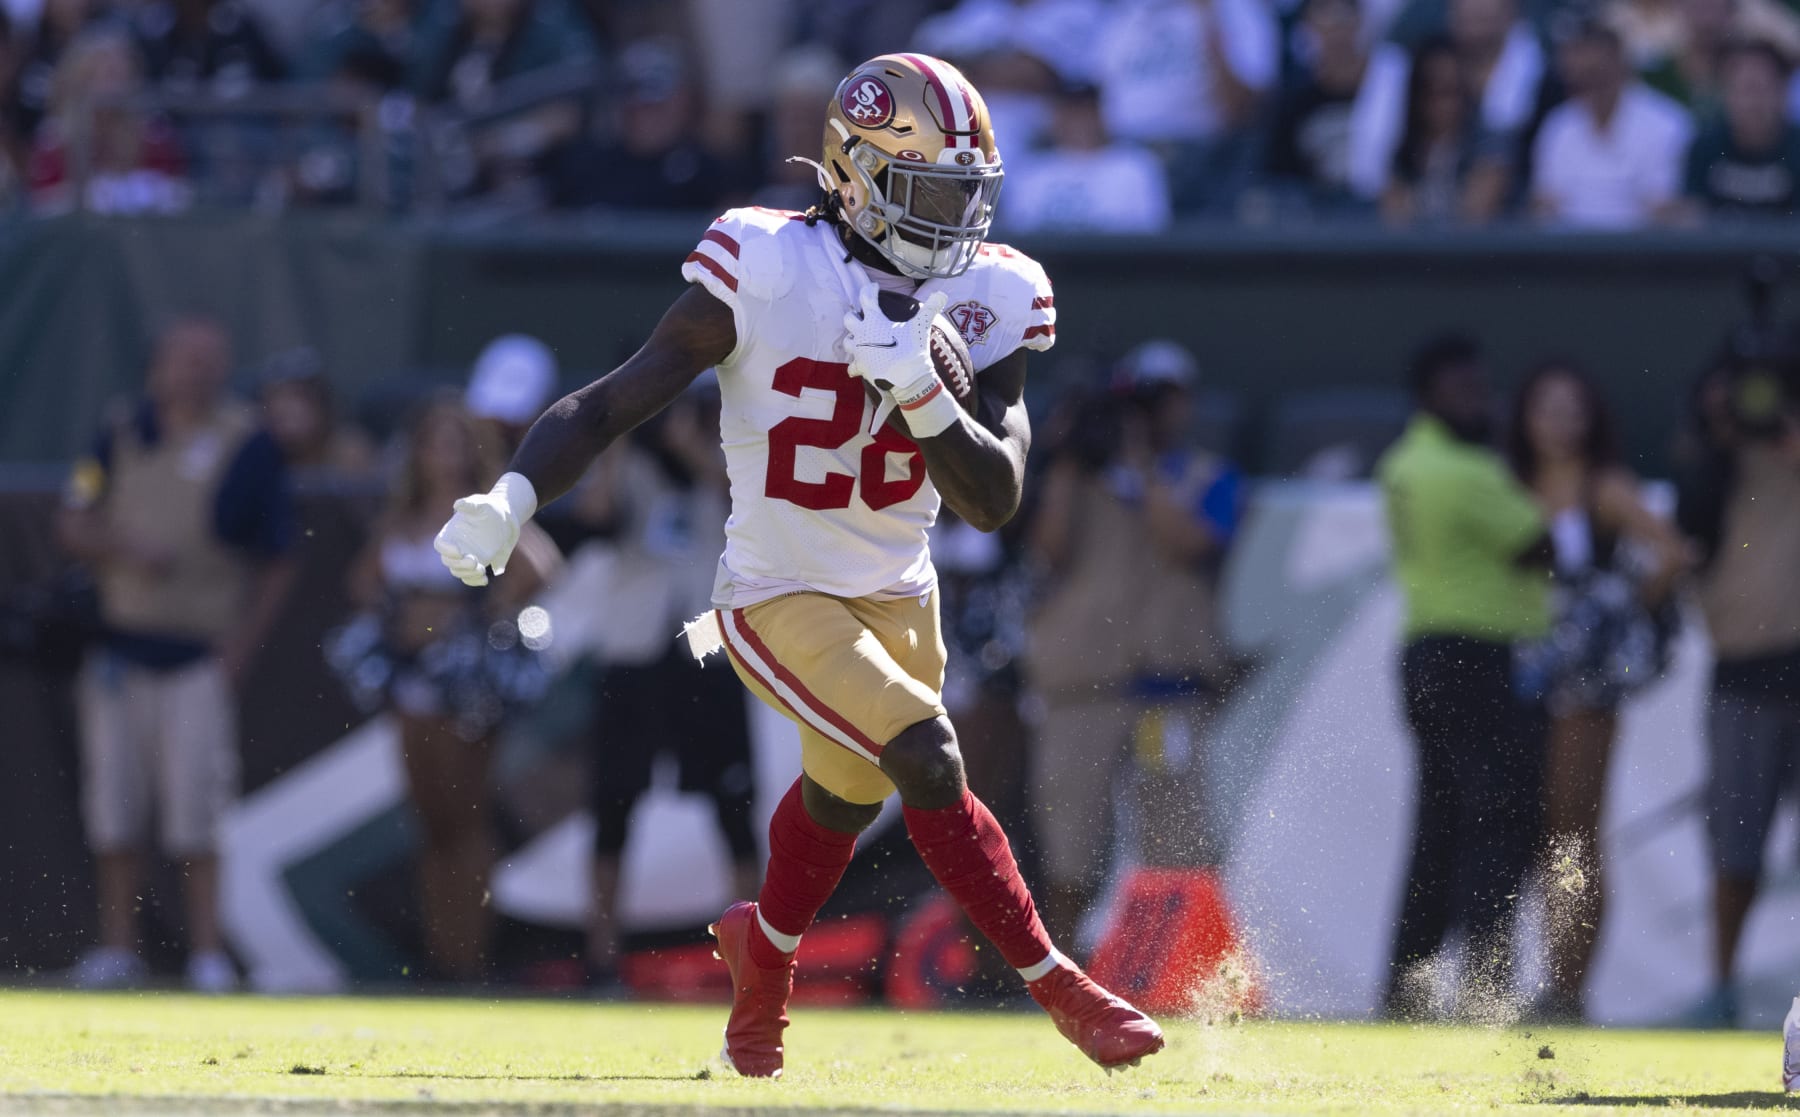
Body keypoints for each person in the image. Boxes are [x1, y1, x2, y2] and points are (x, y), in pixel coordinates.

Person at [432, 53, 1163, 1075]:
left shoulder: (996, 291)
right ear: (855, 175)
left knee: (841, 794)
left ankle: (760, 958)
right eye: (932, 191)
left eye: (970, 193)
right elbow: (616, 397)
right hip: (778, 593)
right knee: (925, 752)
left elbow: (992, 499)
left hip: (902, 589)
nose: (959, 220)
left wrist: (921, 388)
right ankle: (1060, 984)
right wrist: (510, 496)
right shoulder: (767, 261)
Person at [56, 316, 297, 992]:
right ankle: (118, 947)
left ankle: (207, 952)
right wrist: (126, 548)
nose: (194, 372)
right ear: (156, 365)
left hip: (197, 654)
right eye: (182, 359)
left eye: (207, 360)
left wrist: (238, 650)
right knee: (114, 806)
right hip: (117, 653)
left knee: (198, 809)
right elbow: (72, 518)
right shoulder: (117, 432)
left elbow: (278, 558)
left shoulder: (248, 442)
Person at [337, 393, 558, 982]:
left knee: (466, 817)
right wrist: (402, 618)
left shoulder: (487, 513)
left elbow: (540, 568)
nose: (445, 453)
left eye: (457, 441)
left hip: (469, 689)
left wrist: (465, 613)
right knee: (430, 819)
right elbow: (362, 582)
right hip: (412, 687)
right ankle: (442, 956)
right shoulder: (401, 517)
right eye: (435, 440)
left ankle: (470, 956)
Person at [1504, 361, 1691, 1021]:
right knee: (1530, 831)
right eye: (1546, 407)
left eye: (1572, 408)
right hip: (1519, 676)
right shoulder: (1512, 485)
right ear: (1524, 416)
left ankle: (1569, 988)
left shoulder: (1603, 485)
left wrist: (1614, 613)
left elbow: (1671, 552)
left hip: (1583, 684)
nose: (1560, 421)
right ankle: (1541, 977)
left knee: (1574, 828)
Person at [560, 384, 760, 989]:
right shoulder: (625, 462)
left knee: (732, 802)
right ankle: (602, 956)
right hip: (633, 645)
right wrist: (617, 435)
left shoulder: (733, 453)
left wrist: (694, 447)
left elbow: (753, 507)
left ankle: (751, 955)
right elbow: (592, 517)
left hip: (703, 644)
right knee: (614, 803)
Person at [1375, 333, 1551, 1017]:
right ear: (1430, 396)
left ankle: (1406, 985)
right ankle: (1485, 983)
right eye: (1465, 390)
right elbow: (1542, 544)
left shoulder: (1403, 462)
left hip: (1429, 657)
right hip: (1477, 658)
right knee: (1499, 819)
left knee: (1441, 824)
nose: (1480, 402)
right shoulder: (1467, 472)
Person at [1673, 342, 1800, 1027]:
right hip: (1745, 674)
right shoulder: (1708, 466)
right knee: (1735, 844)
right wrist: (1717, 434)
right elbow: (1688, 536)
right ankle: (1721, 987)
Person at [1531, 19, 1692, 229]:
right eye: (1579, 79)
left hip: (1641, 255)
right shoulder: (1558, 126)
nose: (1589, 86)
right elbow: (1544, 207)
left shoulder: (1667, 123)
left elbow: (1663, 211)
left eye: (1596, 74)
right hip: (1569, 254)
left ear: (1619, 65)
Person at [28, 27, 190, 215]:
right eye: (98, 71)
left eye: (116, 72)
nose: (109, 83)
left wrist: (137, 190)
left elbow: (180, 194)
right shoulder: (54, 141)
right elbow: (39, 204)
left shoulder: (155, 135)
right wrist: (84, 196)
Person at [998, 82, 1170, 234]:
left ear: (1102, 115)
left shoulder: (1136, 166)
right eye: (1071, 112)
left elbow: (1151, 237)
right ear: (1055, 118)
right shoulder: (1030, 171)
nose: (1079, 121)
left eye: (1086, 111)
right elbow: (1018, 237)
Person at [1381, 36, 1512, 225]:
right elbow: (1394, 220)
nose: (1444, 104)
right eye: (1433, 91)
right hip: (1414, 254)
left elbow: (1474, 218)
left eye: (1452, 91)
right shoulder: (1404, 150)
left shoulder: (1491, 144)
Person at [1264, 0, 1371, 214]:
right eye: (1324, 14)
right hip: (1318, 224)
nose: (1335, 26)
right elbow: (1281, 178)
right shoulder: (1293, 101)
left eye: (1342, 14)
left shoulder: (1389, 87)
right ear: (1309, 26)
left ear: (1359, 20)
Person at [1678, 39, 1800, 219]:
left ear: (1782, 90)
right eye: (1744, 89)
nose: (1753, 102)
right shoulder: (1704, 146)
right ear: (1725, 93)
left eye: (1761, 88)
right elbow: (1690, 214)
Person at [257, 347, 378, 479]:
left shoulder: (349, 450)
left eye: (296, 397)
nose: (282, 408)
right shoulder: (261, 455)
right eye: (275, 399)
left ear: (320, 404)